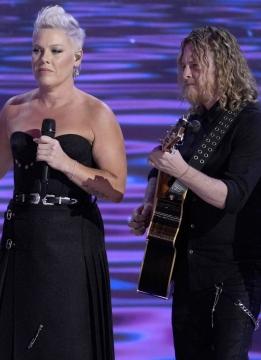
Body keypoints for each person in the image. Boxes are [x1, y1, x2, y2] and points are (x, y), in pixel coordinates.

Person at [0, 5, 125, 359]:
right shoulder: (14, 110)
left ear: (77, 57)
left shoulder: (97, 113)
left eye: (55, 51)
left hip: (72, 242)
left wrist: (67, 164)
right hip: (21, 239)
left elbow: (115, 189)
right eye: (37, 50)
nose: (43, 59)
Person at [128, 26, 261, 359]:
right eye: (183, 65)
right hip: (187, 272)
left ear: (223, 68)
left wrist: (181, 171)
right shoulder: (188, 122)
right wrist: (149, 203)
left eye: (196, 66)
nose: (186, 74)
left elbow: (232, 196)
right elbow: (158, 169)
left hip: (232, 276)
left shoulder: (251, 123)